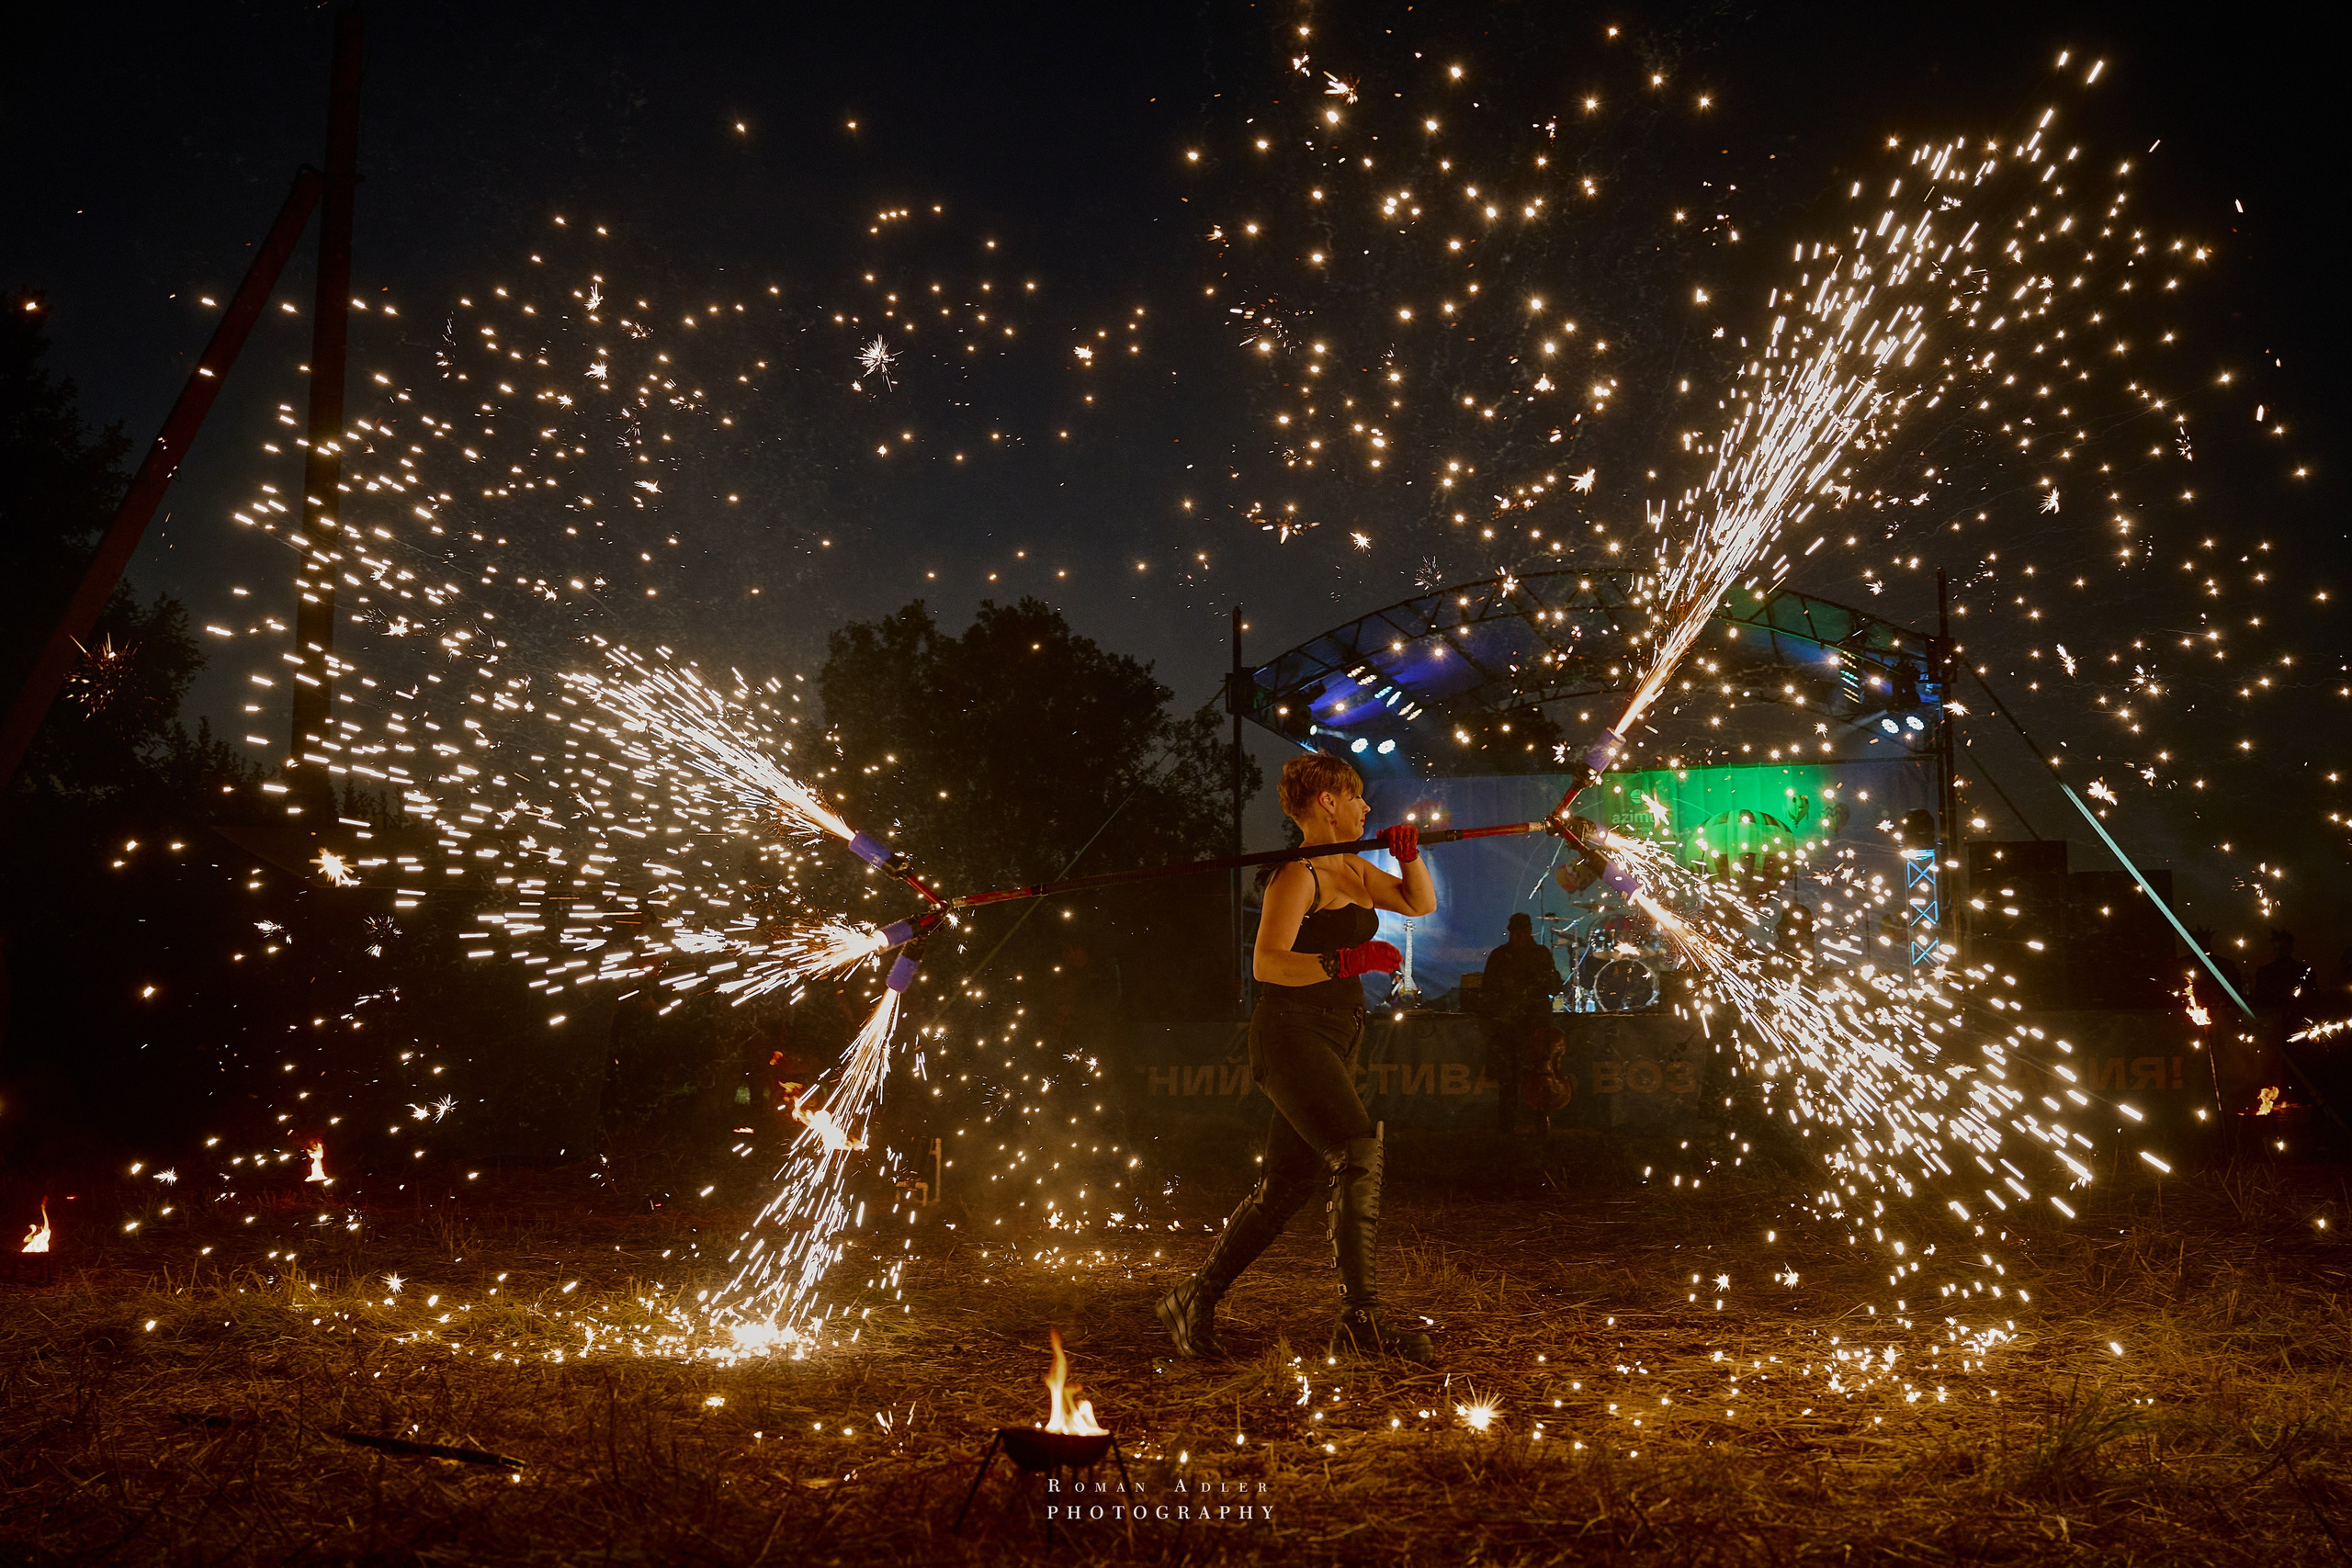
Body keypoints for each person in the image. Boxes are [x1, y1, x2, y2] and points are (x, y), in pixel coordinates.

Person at [1156, 752, 1437, 1363]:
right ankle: (1360, 1321)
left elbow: (1419, 905)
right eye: (1356, 796)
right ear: (1329, 802)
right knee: (1357, 1148)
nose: (1366, 806)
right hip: (1290, 1033)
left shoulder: (1355, 869)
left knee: (1286, 1186)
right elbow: (1267, 963)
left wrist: (1409, 856)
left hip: (1335, 1035)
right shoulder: (1297, 875)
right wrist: (1346, 961)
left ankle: (1192, 1299)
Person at [1482, 913, 1564, 1134]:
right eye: (1515, 932)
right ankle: (1506, 1129)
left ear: (1529, 932)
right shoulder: (1500, 956)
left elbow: (1555, 986)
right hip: (1507, 1028)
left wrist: (1540, 978)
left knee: (1539, 1078)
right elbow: (1487, 990)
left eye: (1522, 932)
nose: (1518, 936)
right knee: (1507, 1082)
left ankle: (1540, 1126)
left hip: (1534, 1029)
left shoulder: (1540, 955)